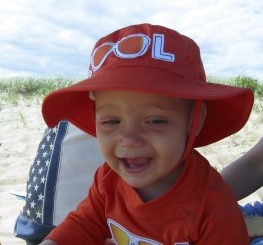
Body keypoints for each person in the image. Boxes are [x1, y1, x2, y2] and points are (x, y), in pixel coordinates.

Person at [39, 23, 254, 244]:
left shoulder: (213, 208)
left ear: (194, 121)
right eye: (111, 121)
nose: (130, 140)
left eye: (155, 121)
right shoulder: (108, 179)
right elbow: (83, 224)